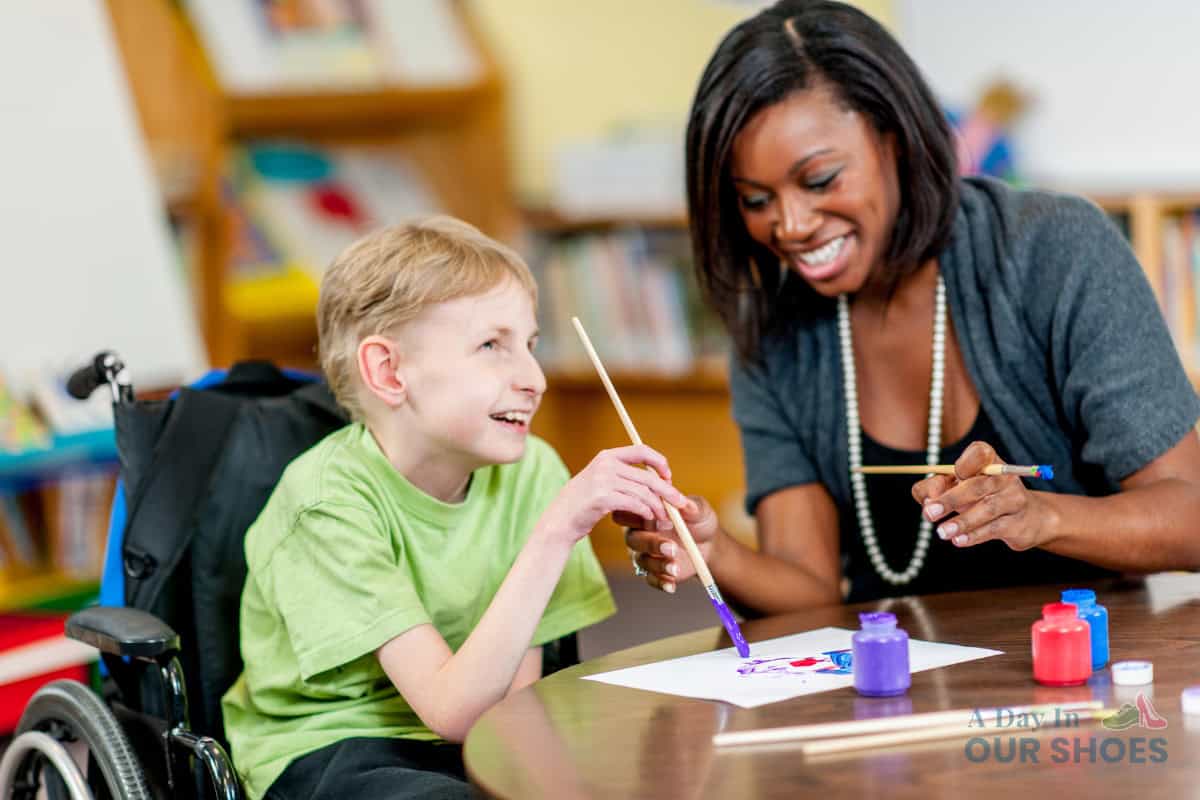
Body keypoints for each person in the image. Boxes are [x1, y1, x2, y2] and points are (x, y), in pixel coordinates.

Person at [623, 0, 1200, 610]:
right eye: (756, 199)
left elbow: (1190, 518)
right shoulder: (773, 324)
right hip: (887, 685)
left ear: (894, 140)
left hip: (1081, 672)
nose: (789, 226)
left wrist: (1042, 517)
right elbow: (808, 584)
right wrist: (712, 551)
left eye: (819, 180)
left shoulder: (1055, 249)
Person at [221, 216, 692, 800]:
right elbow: (453, 713)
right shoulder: (325, 502)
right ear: (389, 371)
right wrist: (555, 533)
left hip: (475, 731)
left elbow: (511, 714)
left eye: (531, 344)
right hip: (335, 746)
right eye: (493, 345)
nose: (535, 379)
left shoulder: (534, 472)